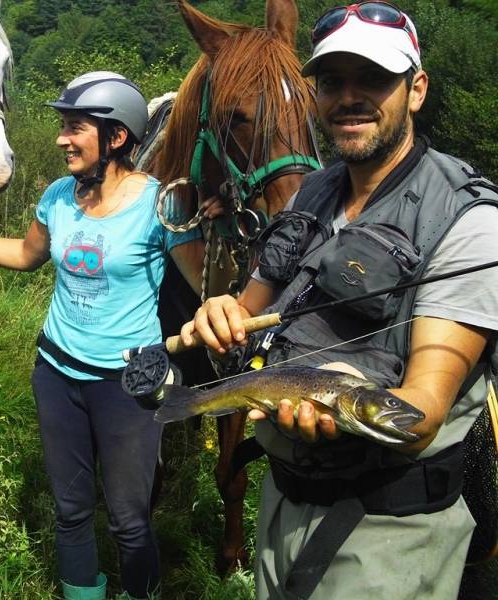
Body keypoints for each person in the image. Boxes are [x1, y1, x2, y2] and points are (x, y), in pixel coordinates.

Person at [179, 3, 498, 599]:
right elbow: (250, 308)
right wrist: (222, 314)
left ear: (417, 88)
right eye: (332, 81)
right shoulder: (313, 191)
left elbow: (422, 413)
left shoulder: (467, 222)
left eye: (373, 78)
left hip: (386, 535)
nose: (349, 97)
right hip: (281, 503)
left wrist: (342, 396)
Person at [0, 72, 210, 599]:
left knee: (129, 518)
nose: (61, 139)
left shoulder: (162, 205)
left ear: (116, 136)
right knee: (71, 510)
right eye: (62, 127)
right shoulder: (58, 196)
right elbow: (26, 256)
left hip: (128, 383)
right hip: (56, 374)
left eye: (75, 127)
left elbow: (207, 287)